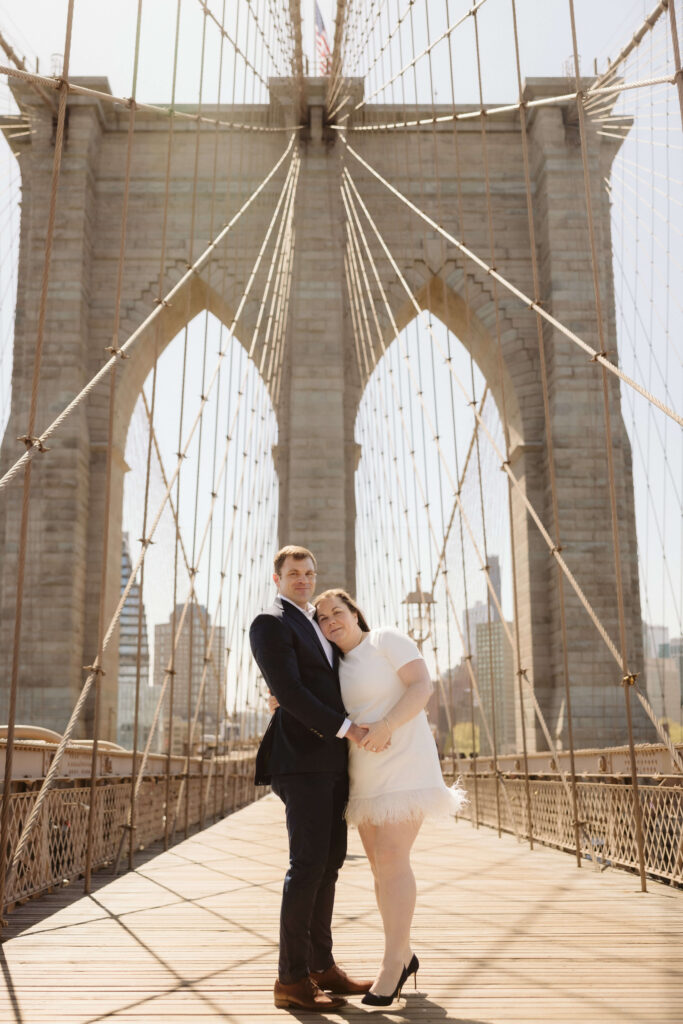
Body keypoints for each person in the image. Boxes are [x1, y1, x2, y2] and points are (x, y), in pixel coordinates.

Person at [313, 588, 467, 1007]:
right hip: (363, 771)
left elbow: (422, 687)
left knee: (394, 857)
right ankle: (404, 953)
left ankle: (391, 965)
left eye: (337, 611)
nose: (330, 621)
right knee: (380, 867)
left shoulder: (385, 639)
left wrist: (386, 725)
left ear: (354, 613)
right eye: (322, 618)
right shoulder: (333, 664)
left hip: (404, 760)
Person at [249, 546, 372, 1012]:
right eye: (293, 573)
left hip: (332, 760)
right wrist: (346, 728)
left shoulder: (318, 625)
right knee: (306, 868)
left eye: (309, 573)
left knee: (330, 864)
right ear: (277, 578)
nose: (302, 579)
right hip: (301, 760)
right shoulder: (271, 622)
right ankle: (290, 979)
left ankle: (322, 966)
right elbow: (290, 690)